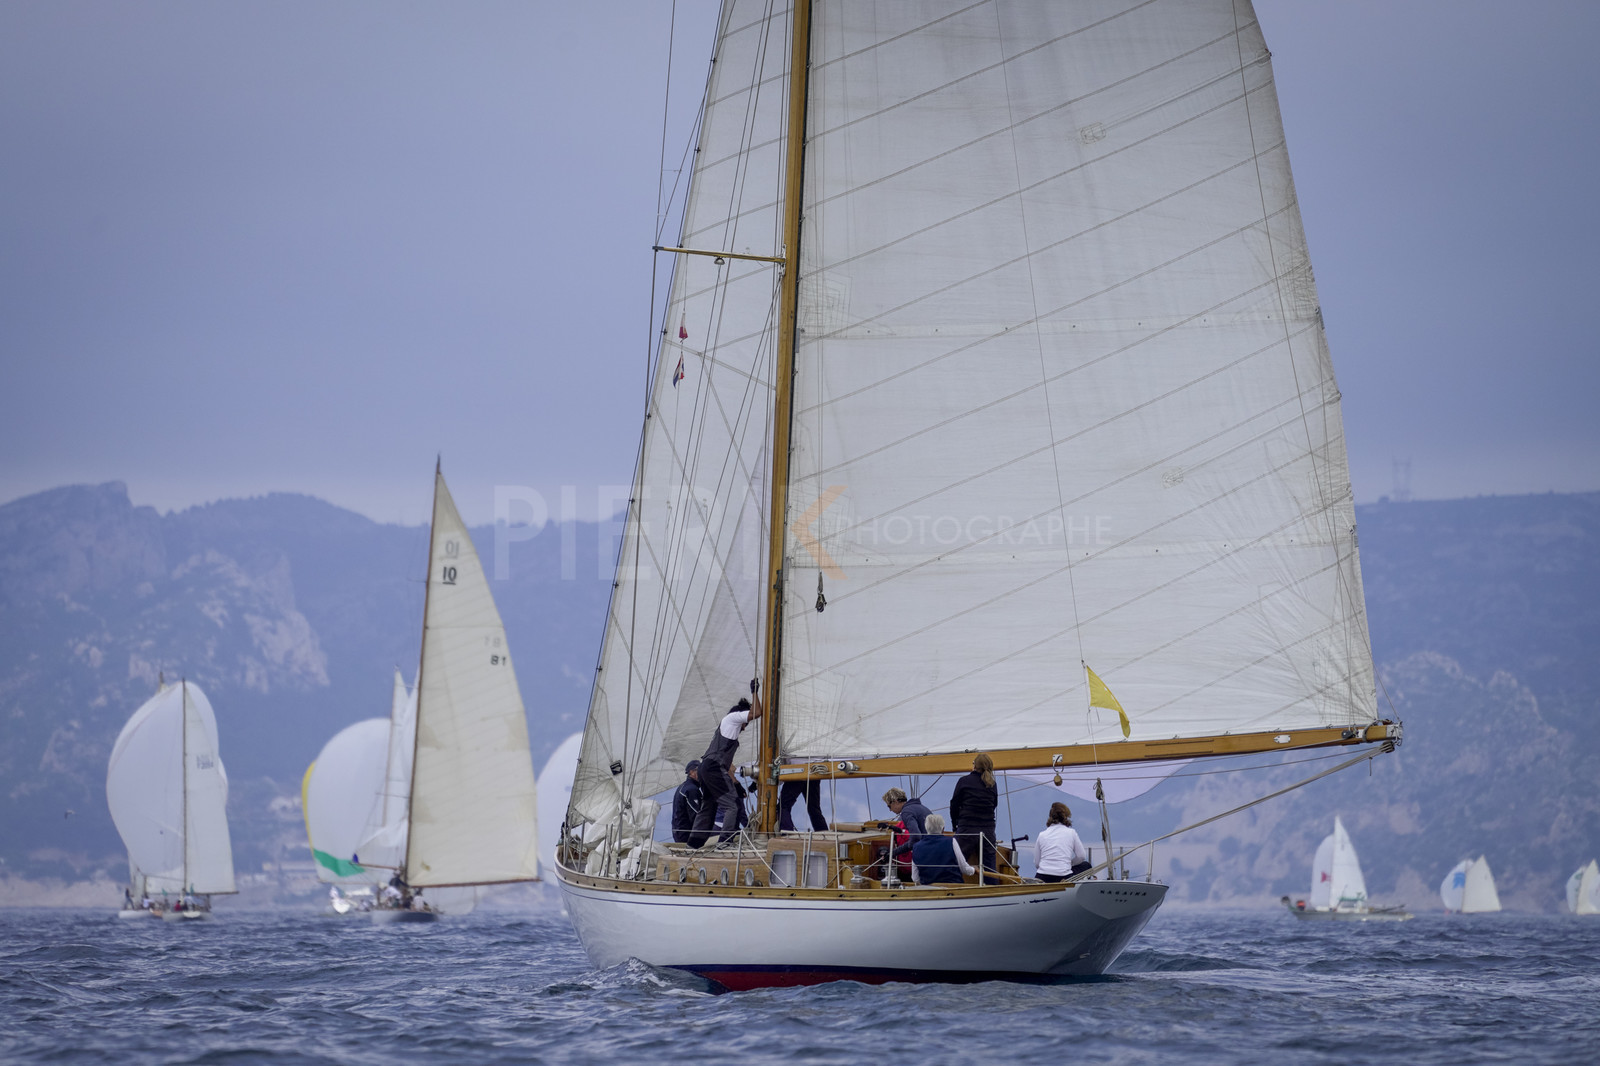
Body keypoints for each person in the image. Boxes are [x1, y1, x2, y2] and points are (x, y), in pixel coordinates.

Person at [688, 679, 764, 847]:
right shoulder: (733, 718)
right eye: (746, 724)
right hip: (713, 769)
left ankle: (693, 844)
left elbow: (726, 764)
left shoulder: (728, 730)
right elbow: (757, 712)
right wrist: (754, 691)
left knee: (708, 806)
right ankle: (725, 842)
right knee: (733, 805)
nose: (745, 727)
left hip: (706, 768)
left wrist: (736, 784)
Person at [950, 752, 999, 871]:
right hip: (988, 830)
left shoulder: (964, 781)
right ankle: (991, 883)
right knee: (990, 868)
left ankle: (954, 881)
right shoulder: (992, 784)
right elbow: (994, 805)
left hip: (967, 828)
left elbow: (954, 805)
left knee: (955, 861)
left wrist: (955, 825)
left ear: (974, 766)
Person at [910, 814, 975, 885]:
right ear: (943, 829)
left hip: (928, 888)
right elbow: (964, 869)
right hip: (952, 885)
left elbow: (915, 878)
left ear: (926, 828)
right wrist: (974, 870)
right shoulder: (952, 842)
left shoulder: (916, 847)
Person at [1034, 801, 1091, 882]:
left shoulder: (1042, 835)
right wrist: (1070, 863)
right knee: (1086, 865)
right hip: (1063, 876)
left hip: (1042, 876)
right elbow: (1081, 856)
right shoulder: (1071, 833)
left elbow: (1037, 863)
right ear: (1066, 817)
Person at [883, 788, 931, 874]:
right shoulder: (922, 808)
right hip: (932, 855)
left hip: (924, 857)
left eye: (889, 806)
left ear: (895, 802)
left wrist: (893, 853)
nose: (890, 810)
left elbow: (916, 837)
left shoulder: (906, 812)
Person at [671, 761, 704, 844]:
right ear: (691, 772)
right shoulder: (691, 790)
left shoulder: (683, 787)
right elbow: (697, 816)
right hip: (686, 836)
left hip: (679, 833)